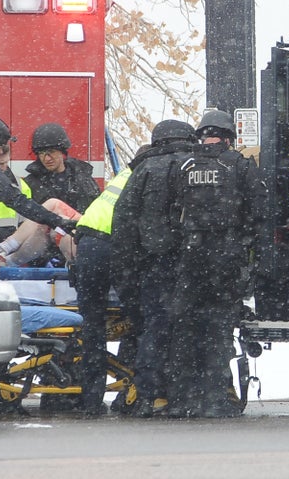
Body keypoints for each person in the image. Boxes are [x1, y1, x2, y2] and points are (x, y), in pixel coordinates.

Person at [166, 110, 266, 418]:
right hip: (224, 257)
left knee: (185, 330)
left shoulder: (182, 166)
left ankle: (182, 400)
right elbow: (259, 211)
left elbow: (171, 211)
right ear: (228, 138)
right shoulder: (239, 165)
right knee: (218, 330)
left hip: (189, 257)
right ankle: (215, 399)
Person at [112, 120, 198, 418]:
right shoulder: (197, 165)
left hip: (155, 264)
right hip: (196, 264)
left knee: (155, 328)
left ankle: (150, 394)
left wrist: (127, 271)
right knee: (189, 329)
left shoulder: (145, 171)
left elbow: (123, 221)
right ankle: (187, 394)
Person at [74, 145, 150, 416]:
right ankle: (135, 390)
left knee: (92, 325)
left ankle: (90, 400)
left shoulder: (122, 177)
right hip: (113, 246)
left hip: (87, 244)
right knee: (141, 319)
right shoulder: (146, 178)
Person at [24, 122, 100, 214]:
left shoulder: (83, 178)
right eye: (41, 153)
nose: (47, 158)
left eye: (51, 152)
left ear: (62, 151)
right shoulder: (31, 184)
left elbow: (98, 212)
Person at [0, 144, 32, 243]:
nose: (3, 168)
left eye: (5, 163)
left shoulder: (21, 186)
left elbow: (26, 226)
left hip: (7, 246)